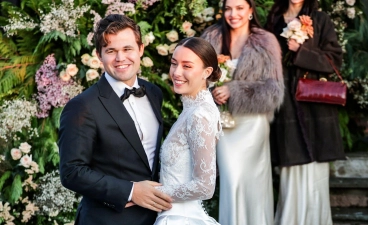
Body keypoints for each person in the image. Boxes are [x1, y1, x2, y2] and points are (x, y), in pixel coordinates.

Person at [58, 14, 173, 225]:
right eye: (111, 51)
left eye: (127, 49)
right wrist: (130, 191)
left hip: (157, 217)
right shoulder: (82, 106)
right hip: (108, 219)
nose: (121, 58)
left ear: (140, 49)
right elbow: (71, 171)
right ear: (99, 55)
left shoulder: (154, 93)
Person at [201, 0, 284, 224]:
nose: (233, 13)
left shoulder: (266, 41)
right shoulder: (210, 38)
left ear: (250, 11)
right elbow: (196, 78)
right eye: (228, 8)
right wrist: (213, 92)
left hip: (253, 125)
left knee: (254, 185)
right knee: (232, 179)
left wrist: (234, 90)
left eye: (239, 8)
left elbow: (274, 90)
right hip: (223, 124)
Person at [264, 0, 346, 224]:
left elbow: (334, 60)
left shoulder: (320, 20)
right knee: (290, 166)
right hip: (285, 105)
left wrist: (302, 50)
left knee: (315, 168)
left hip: (315, 105)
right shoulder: (274, 20)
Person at [153, 37, 222, 224]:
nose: (176, 72)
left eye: (187, 66)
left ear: (206, 72)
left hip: (180, 218)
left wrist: (150, 194)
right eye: (174, 63)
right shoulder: (192, 108)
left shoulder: (200, 114)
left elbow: (205, 186)